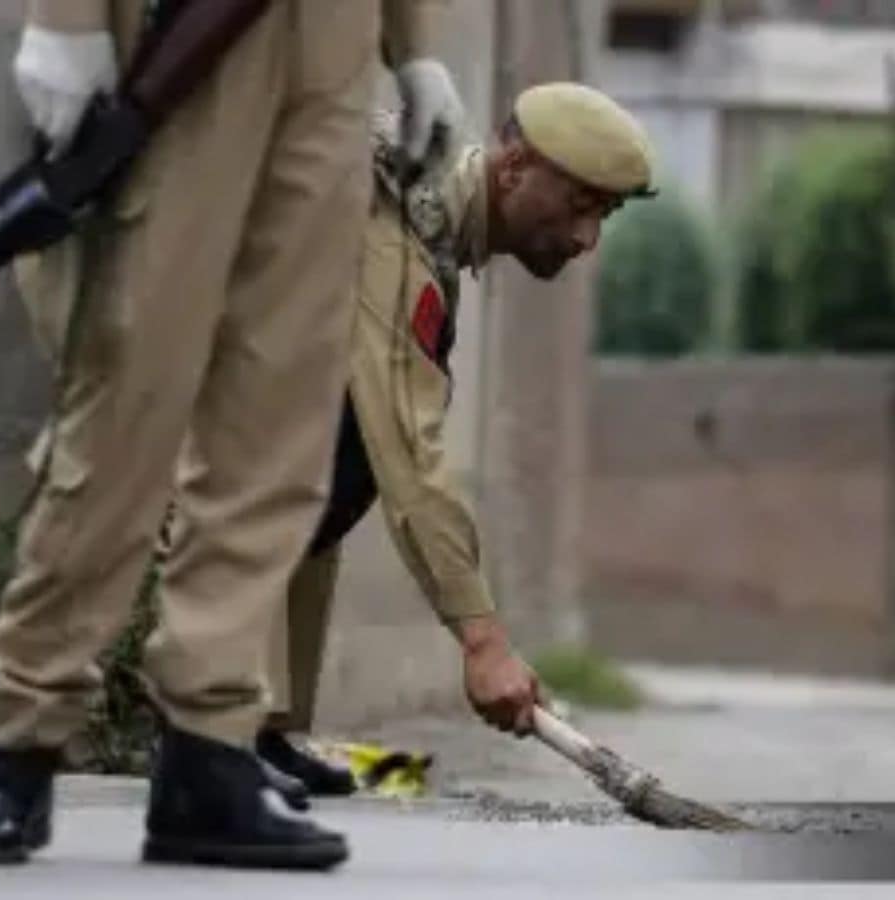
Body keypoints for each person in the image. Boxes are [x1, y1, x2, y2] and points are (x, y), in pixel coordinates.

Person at [0, 0, 464, 871]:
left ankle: (209, 746)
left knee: (277, 423)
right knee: (127, 402)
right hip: (189, 33)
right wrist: (66, 18)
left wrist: (413, 47)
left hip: (335, 53)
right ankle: (19, 740)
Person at [242, 82, 657, 798]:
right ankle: (213, 725)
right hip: (145, 346)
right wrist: (484, 642)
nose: (588, 239)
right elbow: (410, 452)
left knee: (327, 454)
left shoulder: (431, 228)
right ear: (514, 166)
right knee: (336, 445)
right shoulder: (399, 236)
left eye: (605, 215)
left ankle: (261, 726)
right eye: (580, 205)